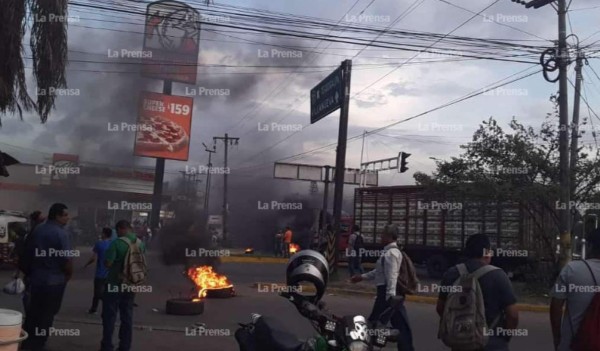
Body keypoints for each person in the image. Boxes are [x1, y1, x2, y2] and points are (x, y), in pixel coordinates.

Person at [436, 234, 519, 351]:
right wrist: (505, 336)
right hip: (492, 343)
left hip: (461, 344)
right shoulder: (499, 276)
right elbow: (513, 315)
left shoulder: (451, 274)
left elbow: (440, 308)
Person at [350, 224, 414, 351]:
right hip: (388, 294)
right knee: (399, 326)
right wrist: (361, 277)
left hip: (387, 294)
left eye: (382, 235)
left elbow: (392, 276)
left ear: (389, 236)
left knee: (374, 324)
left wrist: (390, 298)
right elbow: (378, 272)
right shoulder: (388, 252)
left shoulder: (391, 254)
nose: (380, 237)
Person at [22, 203, 73, 351]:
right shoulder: (61, 233)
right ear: (57, 216)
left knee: (33, 313)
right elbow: (67, 259)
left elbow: (27, 252)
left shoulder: (38, 229)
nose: (67, 218)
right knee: (47, 314)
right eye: (65, 215)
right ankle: (39, 344)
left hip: (36, 278)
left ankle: (27, 342)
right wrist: (69, 274)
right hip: (54, 281)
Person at [550, 228, 600, 351]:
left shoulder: (571, 269)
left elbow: (556, 307)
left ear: (589, 246)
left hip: (573, 345)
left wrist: (557, 340)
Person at [101, 220, 146, 351]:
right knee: (127, 315)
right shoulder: (140, 243)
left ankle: (107, 346)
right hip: (131, 284)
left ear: (121, 229)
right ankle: (125, 346)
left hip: (114, 284)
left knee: (109, 316)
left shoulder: (116, 243)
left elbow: (108, 264)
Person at [84, 227, 112, 314]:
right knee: (107, 291)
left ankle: (93, 309)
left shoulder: (99, 244)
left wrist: (86, 264)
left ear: (104, 234)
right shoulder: (112, 244)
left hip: (100, 273)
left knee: (97, 293)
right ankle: (107, 308)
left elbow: (93, 258)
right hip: (110, 273)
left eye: (102, 233)